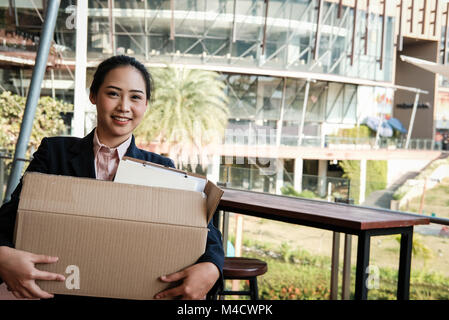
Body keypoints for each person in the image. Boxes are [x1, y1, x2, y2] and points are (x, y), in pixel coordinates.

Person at [0, 55, 224, 300]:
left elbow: (206, 232)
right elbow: (10, 216)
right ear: (93, 96)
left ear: (146, 105)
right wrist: (2, 256)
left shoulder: (162, 168)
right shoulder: (54, 154)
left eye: (136, 97)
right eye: (113, 94)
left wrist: (212, 268)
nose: (124, 107)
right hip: (65, 291)